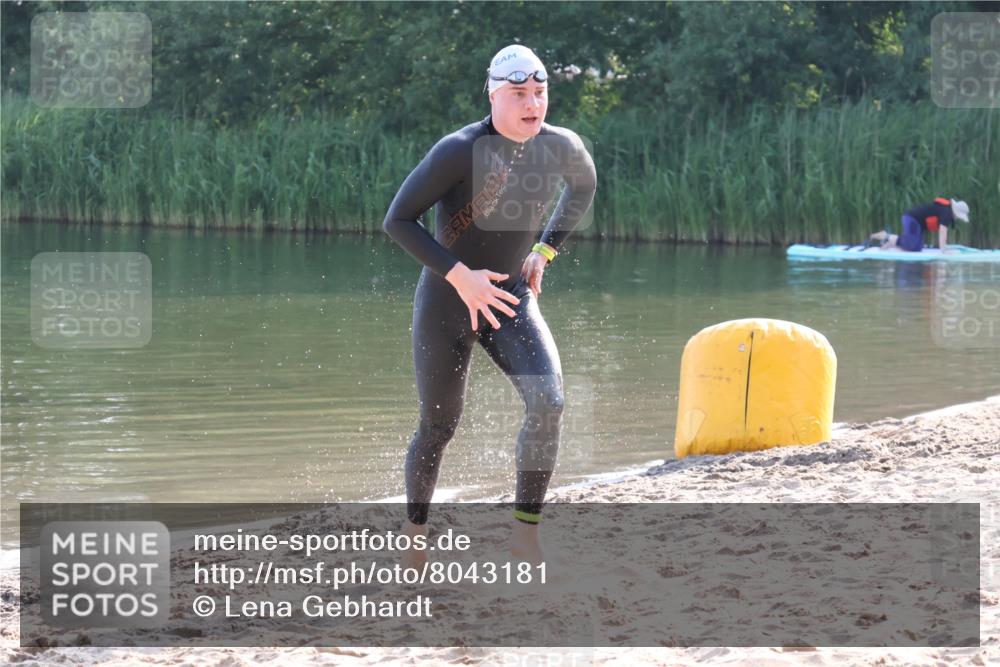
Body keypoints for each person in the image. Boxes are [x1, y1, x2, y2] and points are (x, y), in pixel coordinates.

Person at [382, 44, 597, 568]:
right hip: (447, 301)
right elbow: (398, 221)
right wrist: (461, 277)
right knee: (439, 425)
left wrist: (545, 249)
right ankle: (414, 534)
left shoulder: (561, 146)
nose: (532, 104)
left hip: (510, 300)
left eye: (540, 94)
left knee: (548, 404)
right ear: (494, 95)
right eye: (519, 94)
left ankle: (525, 534)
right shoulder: (459, 149)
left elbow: (584, 187)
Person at [869, 197, 970, 252]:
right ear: (956, 212)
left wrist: (945, 247)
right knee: (913, 247)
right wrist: (943, 249)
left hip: (917, 222)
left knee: (918, 248)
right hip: (912, 219)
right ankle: (886, 237)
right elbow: (942, 232)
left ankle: (891, 241)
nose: (957, 218)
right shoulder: (947, 213)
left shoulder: (946, 210)